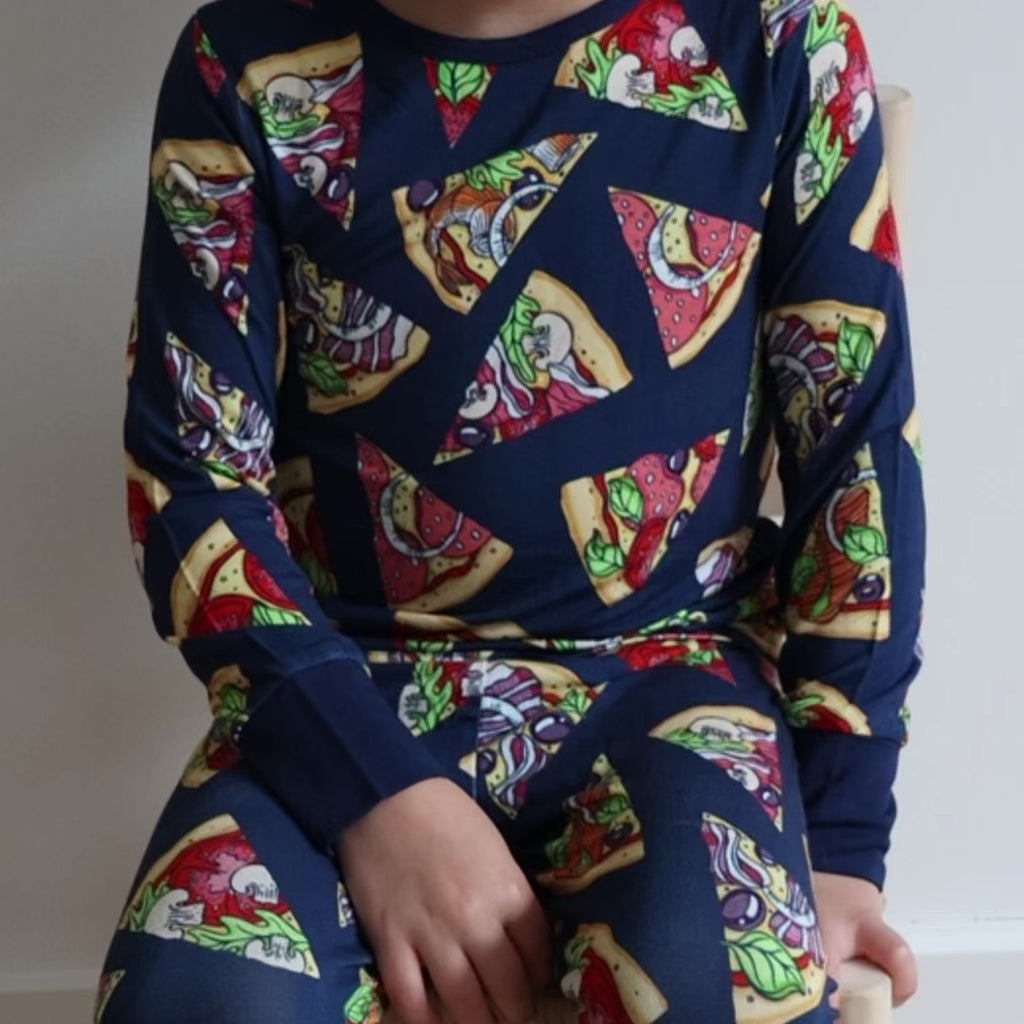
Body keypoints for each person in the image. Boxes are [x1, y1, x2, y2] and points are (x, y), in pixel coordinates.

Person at [95, 0, 926, 1020]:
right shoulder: (244, 59)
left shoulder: (779, 43)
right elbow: (189, 481)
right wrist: (371, 789)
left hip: (677, 676)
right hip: (338, 685)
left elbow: (857, 455)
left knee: (720, 984)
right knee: (193, 996)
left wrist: (842, 837)